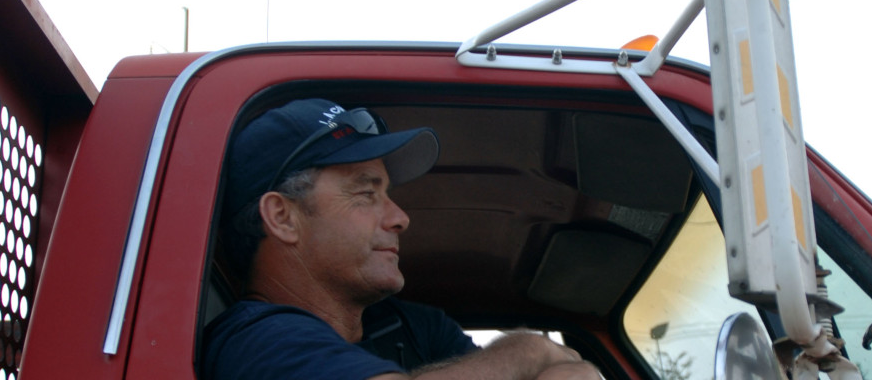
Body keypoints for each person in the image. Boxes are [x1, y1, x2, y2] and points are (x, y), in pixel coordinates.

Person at [203, 98, 599, 380]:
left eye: (388, 194)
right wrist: (528, 350)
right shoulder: (255, 344)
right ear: (282, 217)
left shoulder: (413, 327)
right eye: (365, 193)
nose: (400, 218)